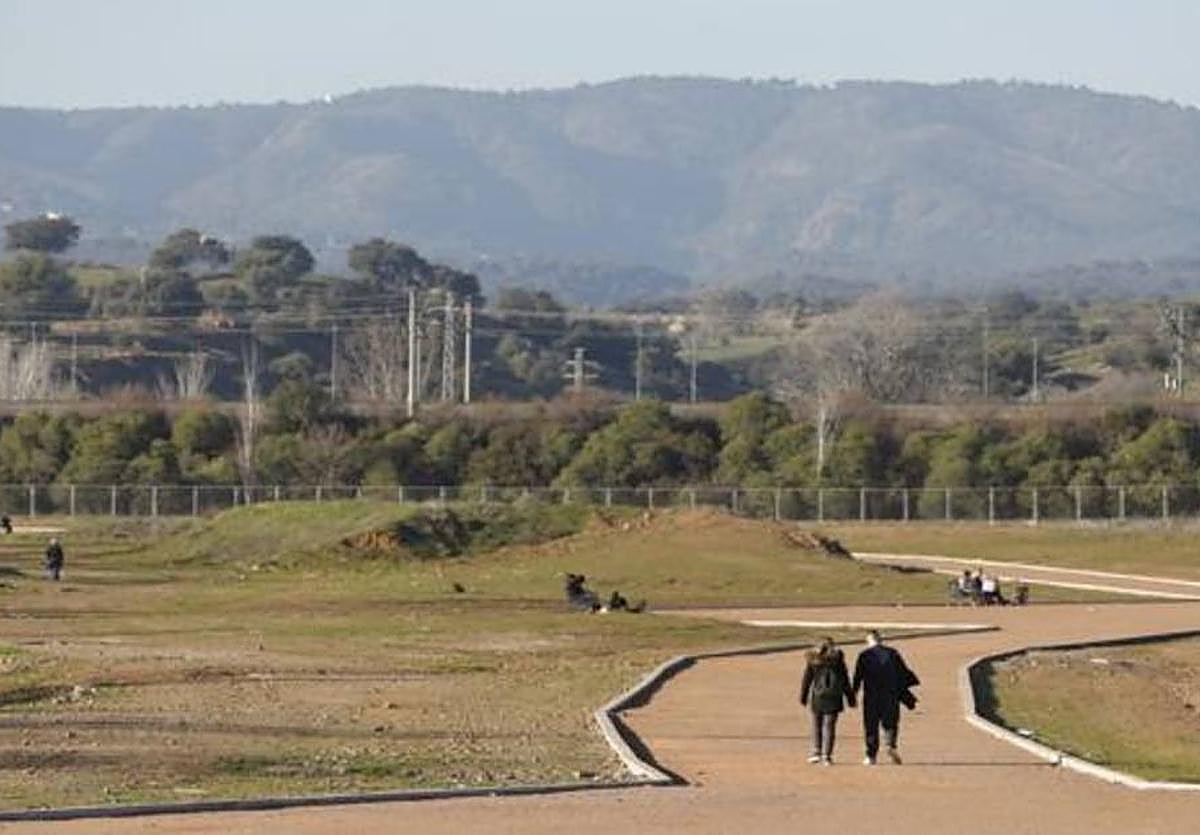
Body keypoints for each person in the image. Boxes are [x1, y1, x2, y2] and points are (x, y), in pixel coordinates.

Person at [852, 630, 919, 766]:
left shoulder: (864, 655)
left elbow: (858, 677)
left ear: (868, 641)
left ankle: (871, 755)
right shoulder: (892, 653)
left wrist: (853, 694)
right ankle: (890, 745)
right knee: (890, 723)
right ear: (880, 640)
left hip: (871, 695)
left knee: (871, 726)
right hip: (890, 694)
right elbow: (903, 673)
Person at [800, 637, 856, 765]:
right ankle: (827, 756)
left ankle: (816, 752)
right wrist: (851, 698)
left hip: (818, 696)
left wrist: (803, 696)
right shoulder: (838, 660)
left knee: (817, 725)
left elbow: (807, 679)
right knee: (830, 727)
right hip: (834, 697)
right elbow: (845, 680)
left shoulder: (813, 659)